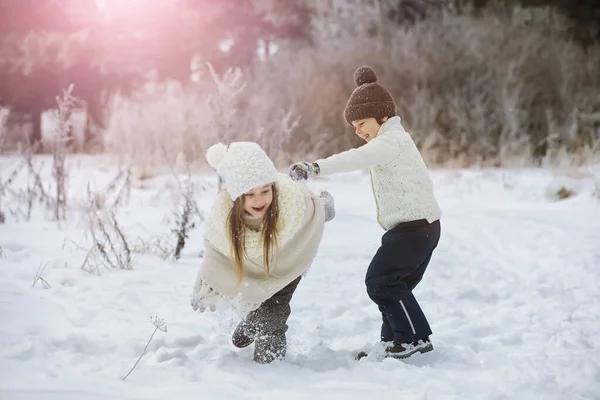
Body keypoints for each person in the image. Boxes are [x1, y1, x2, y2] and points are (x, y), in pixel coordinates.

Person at [289, 66, 441, 359]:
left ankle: (411, 340)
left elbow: (355, 158)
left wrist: (315, 167)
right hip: (418, 228)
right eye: (354, 127)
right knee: (394, 285)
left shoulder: (389, 141)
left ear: (382, 116)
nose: (358, 132)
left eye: (361, 123)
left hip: (415, 228)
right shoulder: (390, 139)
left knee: (381, 281)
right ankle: (398, 341)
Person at [191, 141, 335, 364]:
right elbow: (215, 250)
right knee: (258, 316)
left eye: (265, 191)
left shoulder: (294, 202)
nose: (259, 200)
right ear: (237, 196)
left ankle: (269, 368)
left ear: (273, 188)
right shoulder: (223, 214)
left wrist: (326, 206)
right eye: (250, 194)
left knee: (272, 317)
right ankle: (253, 322)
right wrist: (207, 283)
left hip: (289, 260)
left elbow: (313, 211)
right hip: (255, 266)